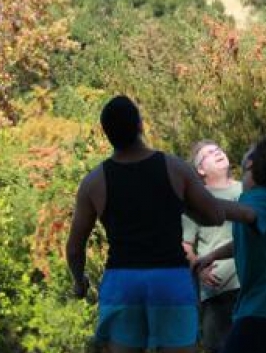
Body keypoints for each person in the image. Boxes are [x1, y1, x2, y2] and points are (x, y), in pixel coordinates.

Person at [66, 95, 227, 352]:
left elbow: (75, 249)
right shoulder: (175, 168)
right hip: (170, 277)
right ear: (141, 125)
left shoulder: (94, 182)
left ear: (106, 134)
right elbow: (215, 215)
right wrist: (181, 202)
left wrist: (79, 281)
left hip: (122, 281)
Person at [193, 136, 266, 353]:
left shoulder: (260, 202)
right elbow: (244, 241)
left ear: (250, 164)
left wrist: (186, 197)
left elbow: (242, 214)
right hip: (265, 305)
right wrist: (212, 255)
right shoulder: (256, 197)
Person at [182, 140, 243, 353]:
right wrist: (198, 269)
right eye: (209, 153)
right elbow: (185, 246)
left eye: (218, 149)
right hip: (218, 292)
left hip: (254, 287)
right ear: (200, 169)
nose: (217, 152)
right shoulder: (197, 200)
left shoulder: (248, 190)